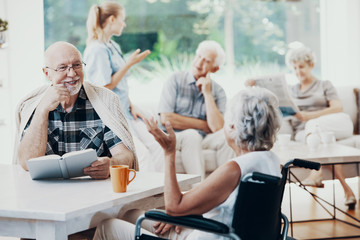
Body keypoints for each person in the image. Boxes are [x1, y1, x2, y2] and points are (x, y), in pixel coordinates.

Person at [92, 87, 283, 240]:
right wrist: (185, 214)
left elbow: (175, 206)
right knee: (130, 214)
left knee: (107, 226)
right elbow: (233, 208)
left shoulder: (234, 169)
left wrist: (169, 152)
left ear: (233, 127)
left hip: (212, 234)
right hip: (224, 231)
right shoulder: (271, 162)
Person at [14, 41, 138, 179]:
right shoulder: (32, 104)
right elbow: (27, 163)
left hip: (94, 192)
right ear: (47, 73)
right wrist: (42, 109)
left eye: (77, 65)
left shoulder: (105, 101)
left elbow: (126, 155)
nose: (72, 74)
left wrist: (111, 164)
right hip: (46, 194)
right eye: (62, 68)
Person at [84, 2, 163, 172]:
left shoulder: (113, 46)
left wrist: (132, 105)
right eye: (122, 19)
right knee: (142, 155)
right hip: (113, 116)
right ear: (112, 19)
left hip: (126, 111)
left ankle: (162, 194)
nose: (124, 24)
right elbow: (104, 88)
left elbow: (120, 87)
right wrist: (129, 64)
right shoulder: (97, 50)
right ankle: (145, 195)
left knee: (158, 145)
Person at [284, 45, 356, 207]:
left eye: (301, 67)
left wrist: (310, 116)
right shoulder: (291, 90)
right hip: (305, 134)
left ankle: (316, 173)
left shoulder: (324, 85)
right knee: (326, 142)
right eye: (294, 68)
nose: (298, 71)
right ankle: (347, 190)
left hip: (333, 123)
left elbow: (337, 107)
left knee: (313, 125)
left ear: (311, 65)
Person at [158, 40, 233, 180]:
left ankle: (228, 188)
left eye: (206, 61)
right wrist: (204, 125)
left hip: (203, 138)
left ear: (215, 68)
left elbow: (217, 128)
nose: (199, 63)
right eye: (198, 56)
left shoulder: (218, 91)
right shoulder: (175, 80)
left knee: (228, 135)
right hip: (176, 136)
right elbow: (166, 119)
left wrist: (207, 93)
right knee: (192, 136)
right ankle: (200, 190)